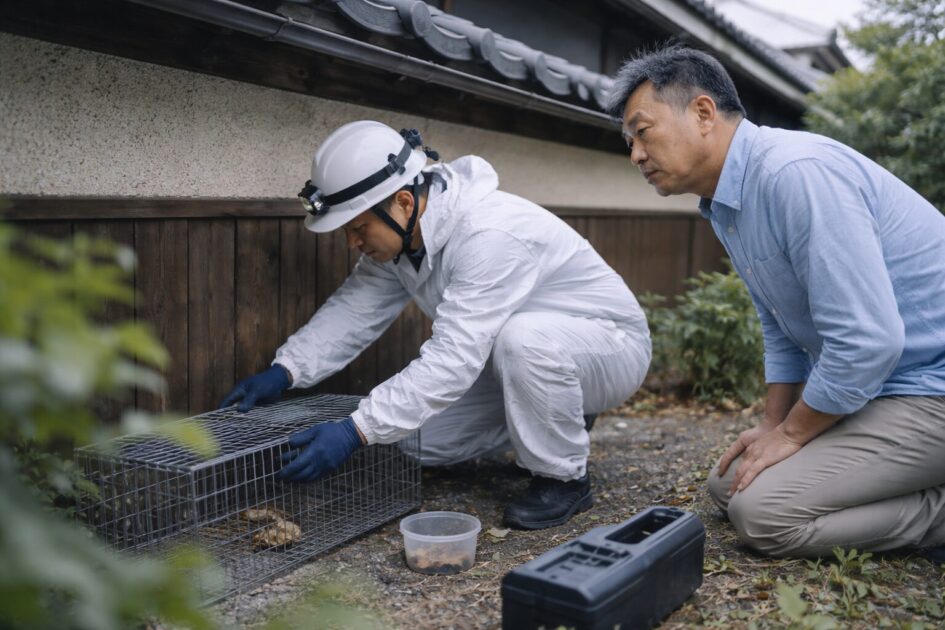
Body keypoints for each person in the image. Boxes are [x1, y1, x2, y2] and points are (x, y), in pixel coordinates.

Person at [220, 120, 651, 529]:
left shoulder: (488, 235)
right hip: (521, 362)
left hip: (609, 348)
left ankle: (563, 479)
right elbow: (354, 310)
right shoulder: (403, 241)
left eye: (357, 228)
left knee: (522, 341)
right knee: (408, 440)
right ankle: (560, 416)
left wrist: (354, 429)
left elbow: (454, 357)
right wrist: (286, 370)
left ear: (404, 203)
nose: (352, 242)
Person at [605, 45, 945, 558]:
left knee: (761, 514)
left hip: (930, 386)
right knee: (730, 483)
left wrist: (792, 435)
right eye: (629, 141)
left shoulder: (795, 173)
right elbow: (780, 323)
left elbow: (869, 342)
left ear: (702, 112)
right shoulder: (725, 202)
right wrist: (772, 425)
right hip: (888, 387)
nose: (635, 155)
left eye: (643, 132)